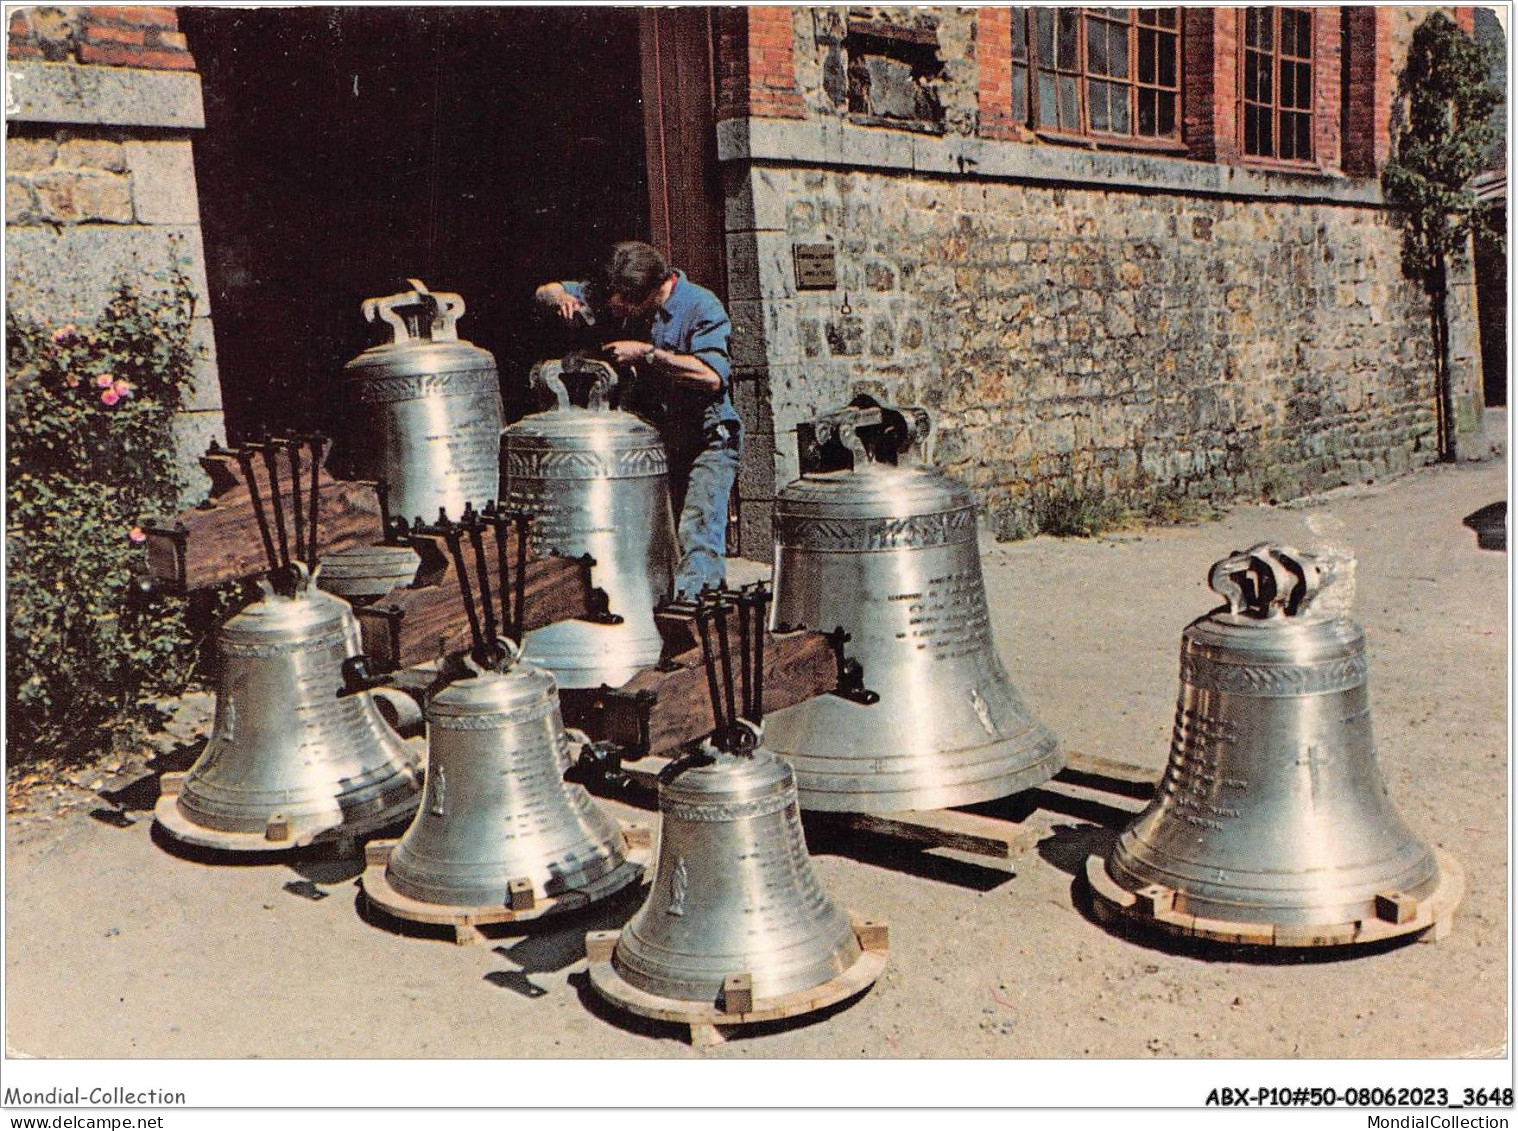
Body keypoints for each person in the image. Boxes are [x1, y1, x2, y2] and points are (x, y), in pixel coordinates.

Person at [534, 241, 741, 600]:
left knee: (697, 532)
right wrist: (559, 300)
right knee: (655, 536)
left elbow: (710, 376)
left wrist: (647, 354)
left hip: (705, 441)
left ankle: (696, 623)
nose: (619, 311)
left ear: (651, 291)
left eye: (627, 305)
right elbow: (546, 290)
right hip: (656, 440)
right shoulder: (619, 287)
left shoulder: (700, 306)